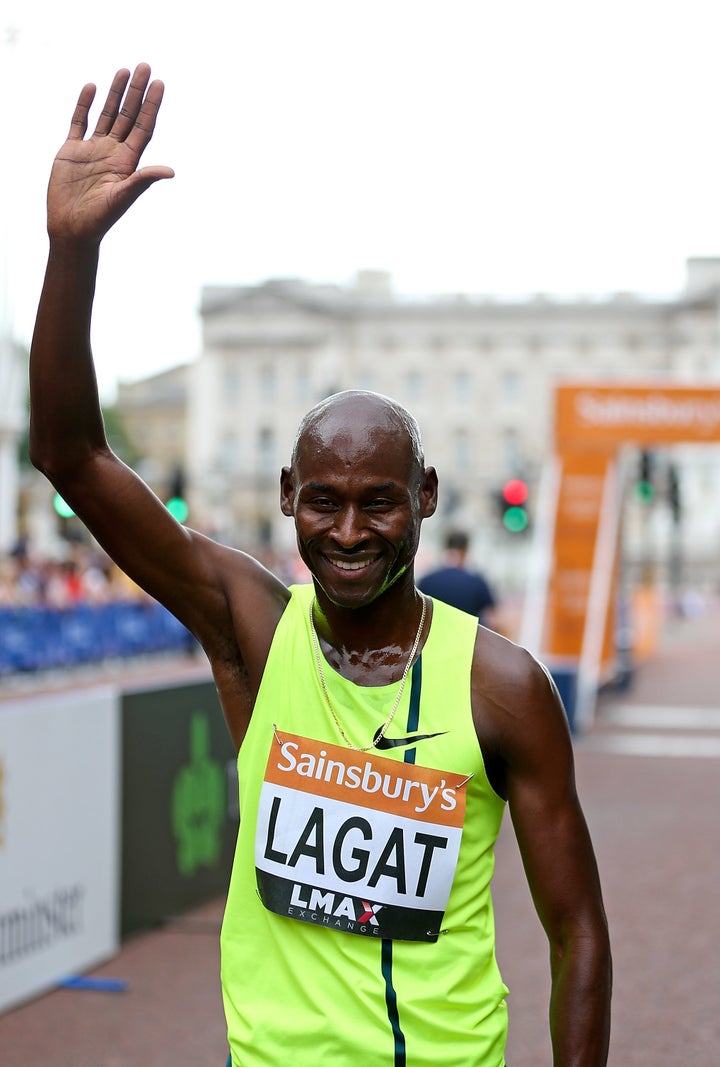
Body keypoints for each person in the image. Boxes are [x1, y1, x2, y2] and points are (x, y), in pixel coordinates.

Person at [29, 64, 611, 1067]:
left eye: (379, 501)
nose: (349, 531)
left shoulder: (504, 688)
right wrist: (71, 254)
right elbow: (73, 455)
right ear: (290, 496)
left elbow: (580, 936)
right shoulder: (249, 625)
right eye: (326, 502)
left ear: (424, 497)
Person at [419, 529, 498, 627]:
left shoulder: (426, 581)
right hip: (468, 639)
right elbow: (491, 616)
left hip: (433, 638)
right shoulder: (477, 582)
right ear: (465, 550)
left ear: (445, 547)